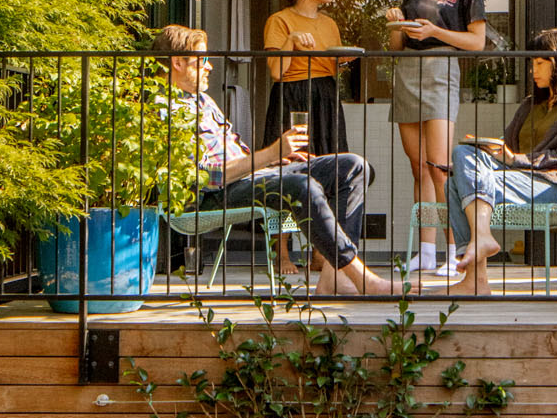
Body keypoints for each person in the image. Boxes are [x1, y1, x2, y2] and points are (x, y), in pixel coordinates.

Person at [157, 25, 391, 298]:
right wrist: (270, 153)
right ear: (177, 62)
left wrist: (275, 161)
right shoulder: (165, 109)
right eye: (203, 60)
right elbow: (204, 178)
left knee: (352, 166)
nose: (209, 67)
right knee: (302, 185)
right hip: (211, 196)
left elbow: (238, 159)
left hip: (247, 179)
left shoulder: (204, 102)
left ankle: (332, 277)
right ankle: (361, 277)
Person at [446, 29, 557, 296]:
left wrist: (516, 159)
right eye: (531, 63)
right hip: (518, 179)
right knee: (462, 156)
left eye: (540, 63)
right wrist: (487, 153)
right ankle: (479, 258)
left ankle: (476, 273)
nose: (533, 70)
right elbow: (507, 145)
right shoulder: (531, 105)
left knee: (456, 185)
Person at [385, 0, 486, 281]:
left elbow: (476, 43)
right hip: (408, 73)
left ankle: (453, 251)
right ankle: (426, 252)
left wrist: (436, 32)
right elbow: (398, 47)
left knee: (440, 168)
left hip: (442, 71)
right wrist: (394, 24)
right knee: (418, 167)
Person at [262, 0, 349, 158]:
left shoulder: (330, 24)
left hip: (326, 93)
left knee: (330, 156)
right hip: (293, 92)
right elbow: (276, 71)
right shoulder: (280, 20)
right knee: (294, 157)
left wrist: (344, 60)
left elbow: (334, 68)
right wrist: (291, 41)